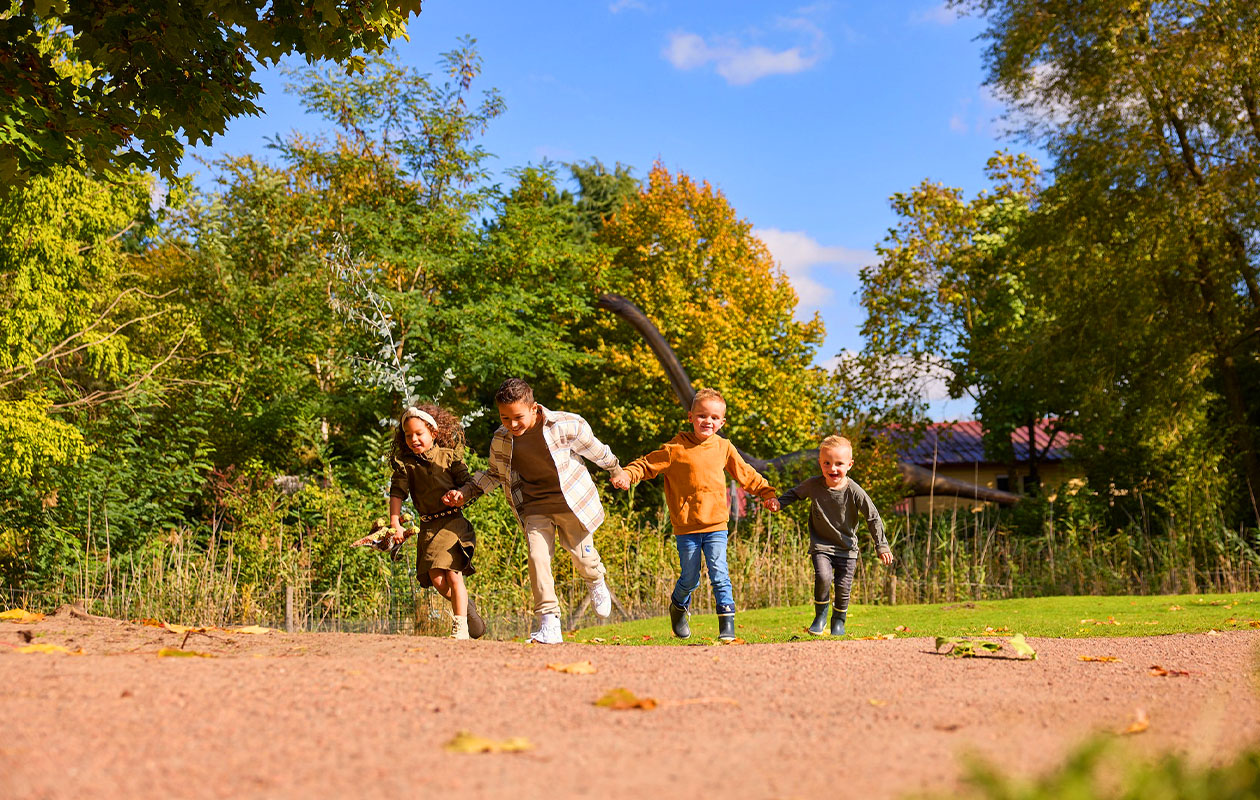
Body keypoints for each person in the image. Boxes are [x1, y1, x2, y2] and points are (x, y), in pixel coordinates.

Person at [443, 378, 623, 644]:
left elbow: (596, 450)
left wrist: (616, 470)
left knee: (583, 559)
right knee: (537, 558)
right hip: (535, 507)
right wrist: (467, 492)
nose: (512, 424)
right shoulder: (502, 439)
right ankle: (549, 622)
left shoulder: (566, 425)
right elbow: (494, 474)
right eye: (505, 418)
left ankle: (596, 579)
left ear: (534, 408)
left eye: (518, 417)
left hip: (572, 505)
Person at [612, 388, 778, 642]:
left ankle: (727, 626)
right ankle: (678, 606)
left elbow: (745, 473)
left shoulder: (723, 447)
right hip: (686, 528)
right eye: (702, 415)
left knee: (719, 573)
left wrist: (767, 493)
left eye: (714, 418)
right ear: (690, 417)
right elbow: (646, 465)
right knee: (690, 579)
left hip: (716, 525)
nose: (707, 421)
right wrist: (626, 474)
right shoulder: (675, 449)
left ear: (722, 423)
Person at [774, 435, 893, 636]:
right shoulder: (813, 485)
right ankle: (820, 617)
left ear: (849, 465)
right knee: (823, 576)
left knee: (843, 587)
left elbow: (872, 517)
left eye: (839, 464)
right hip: (821, 546)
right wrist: (779, 503)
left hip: (847, 549)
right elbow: (795, 493)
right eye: (827, 463)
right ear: (820, 463)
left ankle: (838, 621)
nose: (833, 469)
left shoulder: (854, 491)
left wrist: (881, 545)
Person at [387, 404, 486, 640]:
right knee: (439, 581)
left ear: (433, 432)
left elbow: (469, 484)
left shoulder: (449, 457)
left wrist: (460, 494)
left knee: (453, 574)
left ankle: (459, 626)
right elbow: (397, 493)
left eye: (419, 433)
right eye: (409, 435)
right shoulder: (406, 465)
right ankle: (466, 608)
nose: (414, 439)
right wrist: (395, 522)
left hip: (453, 523)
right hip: (429, 528)